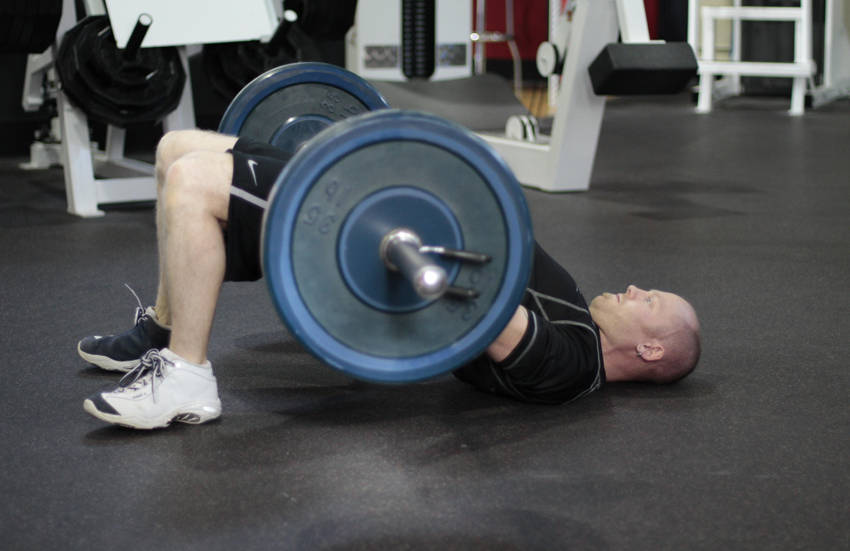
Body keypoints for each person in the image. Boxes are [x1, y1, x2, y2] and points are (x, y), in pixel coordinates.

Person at [78, 130, 701, 429]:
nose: (636, 288)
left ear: (650, 349)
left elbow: (477, 310)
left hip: (375, 229)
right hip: (392, 199)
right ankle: (163, 329)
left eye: (650, 301)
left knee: (192, 181)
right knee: (174, 149)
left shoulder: (571, 365)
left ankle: (186, 376)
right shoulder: (579, 326)